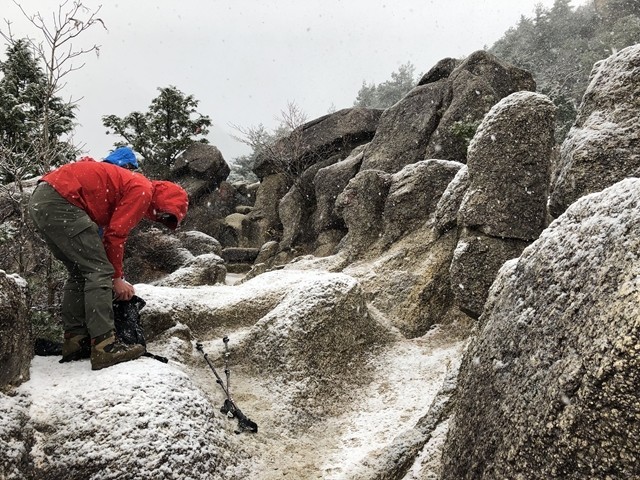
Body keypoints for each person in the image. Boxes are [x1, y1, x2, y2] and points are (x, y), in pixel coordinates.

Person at [28, 155, 189, 370]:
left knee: (79, 271)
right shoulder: (143, 190)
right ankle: (104, 347)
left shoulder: (131, 182)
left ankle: (76, 341)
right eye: (164, 215)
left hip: (43, 199)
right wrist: (116, 277)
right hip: (61, 200)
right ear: (164, 199)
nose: (159, 218)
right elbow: (115, 235)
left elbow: (106, 234)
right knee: (99, 270)